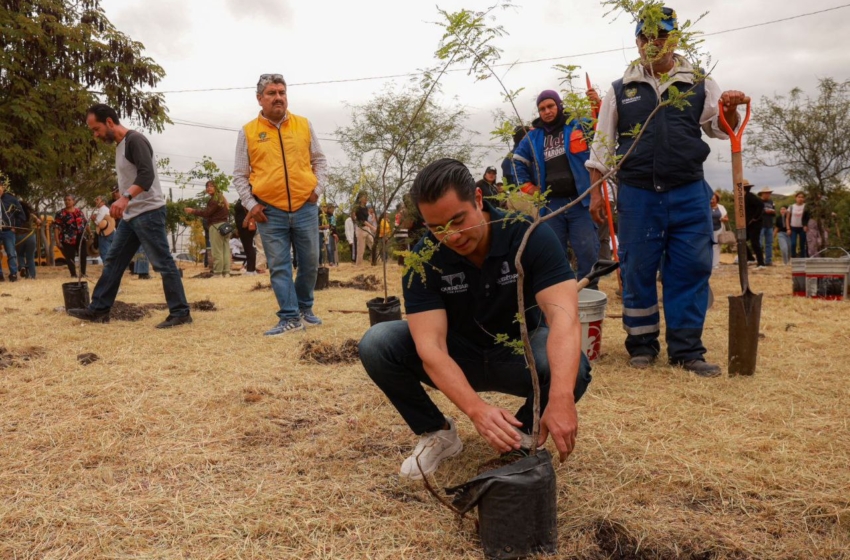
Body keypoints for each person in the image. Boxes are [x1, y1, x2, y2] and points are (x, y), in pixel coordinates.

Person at [359, 158, 592, 479]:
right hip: (459, 355)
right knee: (378, 342)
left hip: (518, 353)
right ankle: (437, 433)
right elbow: (432, 349)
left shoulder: (528, 235)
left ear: (479, 200)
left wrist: (562, 396)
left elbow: (564, 318)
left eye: (458, 220)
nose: (452, 236)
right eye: (436, 228)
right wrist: (476, 410)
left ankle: (523, 434)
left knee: (573, 367)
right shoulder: (423, 260)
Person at [586, 5, 750, 376]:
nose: (653, 43)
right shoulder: (620, 90)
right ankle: (641, 345)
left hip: (689, 190)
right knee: (637, 268)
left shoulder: (699, 82)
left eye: (661, 35)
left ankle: (687, 350)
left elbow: (722, 129)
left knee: (690, 268)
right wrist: (597, 192)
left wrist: (731, 110)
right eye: (645, 36)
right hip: (638, 193)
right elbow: (601, 143)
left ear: (674, 38)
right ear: (637, 41)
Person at [70, 103, 191, 328]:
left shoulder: (135, 140)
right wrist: (124, 201)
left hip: (149, 212)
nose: (95, 135)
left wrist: (125, 197)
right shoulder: (120, 146)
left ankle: (181, 312)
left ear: (109, 122)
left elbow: (146, 175)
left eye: (96, 129)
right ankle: (99, 310)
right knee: (114, 261)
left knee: (163, 263)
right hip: (132, 216)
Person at [233, 73, 327, 335]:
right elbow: (240, 174)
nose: (278, 98)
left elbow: (320, 160)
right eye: (272, 93)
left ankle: (304, 308)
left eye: (282, 92)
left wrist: (316, 190)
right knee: (279, 266)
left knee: (309, 262)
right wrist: (251, 205)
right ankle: (289, 317)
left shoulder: (303, 125)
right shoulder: (248, 131)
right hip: (269, 212)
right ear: (259, 98)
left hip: (305, 208)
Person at [513, 89, 600, 288]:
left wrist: (598, 105)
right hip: (551, 206)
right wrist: (529, 189)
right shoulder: (533, 137)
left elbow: (603, 129)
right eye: (542, 108)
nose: (547, 111)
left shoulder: (578, 125)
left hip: (580, 201)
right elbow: (516, 161)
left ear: (559, 106)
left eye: (551, 106)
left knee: (587, 251)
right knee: (555, 255)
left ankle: (589, 295)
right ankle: (563, 295)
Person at [186, 181, 231, 277]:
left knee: (217, 251)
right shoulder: (222, 198)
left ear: (216, 187)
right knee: (225, 250)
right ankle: (226, 272)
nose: (209, 188)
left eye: (211, 186)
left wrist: (193, 211)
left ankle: (218, 273)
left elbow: (206, 213)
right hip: (225, 226)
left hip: (216, 227)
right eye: (207, 186)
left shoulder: (214, 199)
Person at [54, 194, 88, 278]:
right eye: (66, 200)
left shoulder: (79, 212)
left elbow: (86, 223)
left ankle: (83, 273)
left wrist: (90, 233)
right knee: (70, 257)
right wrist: (57, 241)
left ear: (73, 201)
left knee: (83, 255)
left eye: (69, 200)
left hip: (81, 237)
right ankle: (73, 274)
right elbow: (56, 227)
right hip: (68, 238)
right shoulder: (60, 213)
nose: (67, 201)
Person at [0, 178, 24, 282]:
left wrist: (15, 226)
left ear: (3, 188)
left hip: (8, 230)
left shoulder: (11, 199)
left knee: (11, 253)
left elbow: (21, 214)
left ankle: (13, 274)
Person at [15, 199, 42, 279]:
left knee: (20, 254)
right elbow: (39, 222)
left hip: (19, 237)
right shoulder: (31, 215)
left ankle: (22, 266)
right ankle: (32, 276)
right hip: (30, 237)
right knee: (30, 257)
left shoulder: (15, 216)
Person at [743, 180, 764, 268]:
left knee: (754, 242)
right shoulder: (743, 197)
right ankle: (751, 258)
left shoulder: (750, 196)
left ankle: (761, 263)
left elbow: (761, 205)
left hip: (754, 224)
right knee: (741, 240)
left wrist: (754, 218)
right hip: (748, 224)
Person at [233, 199, 258, 275]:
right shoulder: (240, 198)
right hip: (241, 225)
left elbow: (251, 209)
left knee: (248, 246)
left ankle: (251, 269)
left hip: (246, 225)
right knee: (247, 247)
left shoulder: (248, 198)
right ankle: (251, 269)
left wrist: (246, 220)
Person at [91, 195, 115, 262]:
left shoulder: (102, 209)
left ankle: (107, 268)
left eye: (97, 200)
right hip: (111, 230)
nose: (96, 201)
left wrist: (93, 219)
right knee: (110, 251)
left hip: (105, 233)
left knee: (104, 252)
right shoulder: (106, 209)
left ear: (103, 202)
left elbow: (98, 222)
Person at [353, 193, 374, 266]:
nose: (366, 199)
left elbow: (367, 219)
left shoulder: (365, 207)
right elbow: (363, 221)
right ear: (360, 198)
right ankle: (358, 265)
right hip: (361, 229)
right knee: (361, 249)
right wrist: (373, 228)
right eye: (365, 197)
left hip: (367, 228)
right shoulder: (357, 208)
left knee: (373, 244)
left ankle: (375, 261)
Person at [710, 191, 729, 269]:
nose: (712, 200)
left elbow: (727, 218)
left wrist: (723, 219)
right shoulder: (706, 207)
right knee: (710, 246)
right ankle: (711, 262)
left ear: (717, 199)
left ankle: (715, 263)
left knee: (717, 246)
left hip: (719, 229)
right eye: (711, 198)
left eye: (714, 198)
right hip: (708, 230)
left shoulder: (721, 207)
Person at [787, 192, 809, 258]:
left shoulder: (806, 206)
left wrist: (806, 225)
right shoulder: (791, 207)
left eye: (802, 197)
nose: (800, 198)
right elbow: (787, 218)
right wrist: (788, 228)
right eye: (799, 197)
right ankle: (793, 256)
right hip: (793, 227)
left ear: (804, 198)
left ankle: (802, 258)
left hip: (802, 228)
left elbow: (808, 217)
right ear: (795, 198)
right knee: (793, 243)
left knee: (802, 244)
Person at [759, 187, 775, 266]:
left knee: (769, 243)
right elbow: (757, 211)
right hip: (761, 224)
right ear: (762, 194)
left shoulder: (771, 202)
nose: (768, 194)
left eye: (769, 193)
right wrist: (765, 211)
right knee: (760, 243)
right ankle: (760, 260)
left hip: (769, 224)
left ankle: (768, 260)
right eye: (766, 193)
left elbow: (774, 212)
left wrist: (772, 212)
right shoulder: (758, 201)